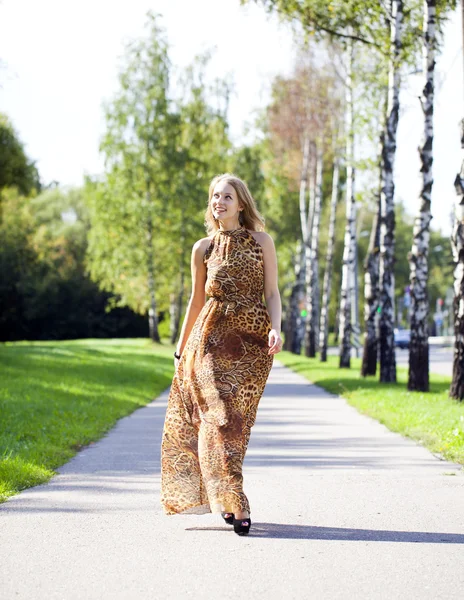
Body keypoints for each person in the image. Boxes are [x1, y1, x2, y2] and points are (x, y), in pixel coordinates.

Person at [160, 172, 282, 536]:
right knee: (220, 416)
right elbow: (196, 301)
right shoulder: (204, 248)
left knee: (236, 425)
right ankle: (235, 500)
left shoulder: (262, 242)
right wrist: (182, 347)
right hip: (211, 339)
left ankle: (225, 495)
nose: (219, 202)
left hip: (251, 344)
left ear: (241, 203)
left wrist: (276, 327)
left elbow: (272, 293)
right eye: (215, 196)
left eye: (227, 196)